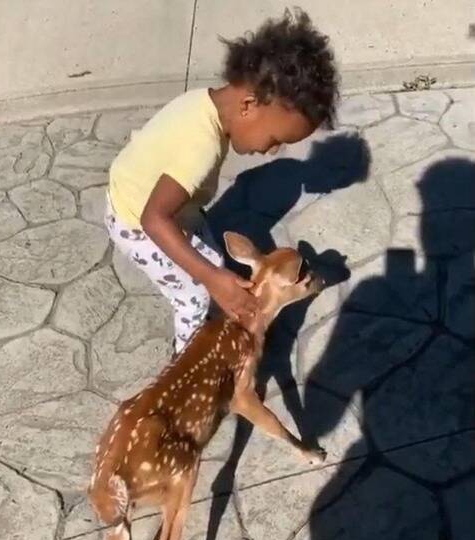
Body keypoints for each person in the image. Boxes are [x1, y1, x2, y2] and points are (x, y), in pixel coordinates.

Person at [106, 9, 339, 354]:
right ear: (248, 106)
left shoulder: (206, 102)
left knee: (212, 263)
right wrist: (212, 281)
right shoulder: (201, 145)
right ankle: (188, 365)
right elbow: (153, 220)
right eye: (274, 139)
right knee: (195, 294)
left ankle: (216, 302)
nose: (272, 150)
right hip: (137, 223)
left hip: (162, 203)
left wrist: (213, 273)